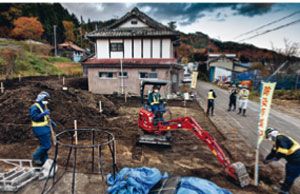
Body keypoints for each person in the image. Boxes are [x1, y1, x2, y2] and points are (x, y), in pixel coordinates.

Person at [263, 127, 300, 194]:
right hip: (293, 159)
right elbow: (273, 152)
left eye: (269, 137)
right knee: (290, 170)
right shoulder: (277, 142)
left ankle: (284, 191)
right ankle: (286, 183)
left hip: (297, 159)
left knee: (291, 174)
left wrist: (275, 158)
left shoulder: (280, 138)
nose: (270, 139)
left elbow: (283, 152)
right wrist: (267, 159)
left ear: (271, 135)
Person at [29, 91, 56, 166]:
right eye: (46, 99)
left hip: (44, 128)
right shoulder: (35, 107)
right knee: (46, 146)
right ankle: (36, 156)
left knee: (44, 144)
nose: (47, 101)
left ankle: (44, 160)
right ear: (42, 98)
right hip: (40, 129)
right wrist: (43, 113)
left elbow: (45, 117)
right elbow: (34, 117)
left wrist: (51, 121)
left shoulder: (43, 106)